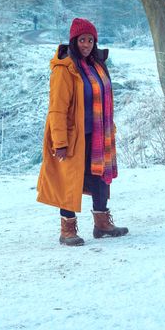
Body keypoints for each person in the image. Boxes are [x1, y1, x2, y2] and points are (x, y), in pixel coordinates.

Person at [36, 18, 128, 246]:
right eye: (82, 40)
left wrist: (110, 129)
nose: (86, 44)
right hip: (72, 136)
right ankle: (67, 229)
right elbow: (57, 109)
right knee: (69, 180)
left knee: (99, 177)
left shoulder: (97, 65)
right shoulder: (64, 69)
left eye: (90, 40)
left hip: (97, 134)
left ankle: (102, 223)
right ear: (73, 41)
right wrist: (60, 142)